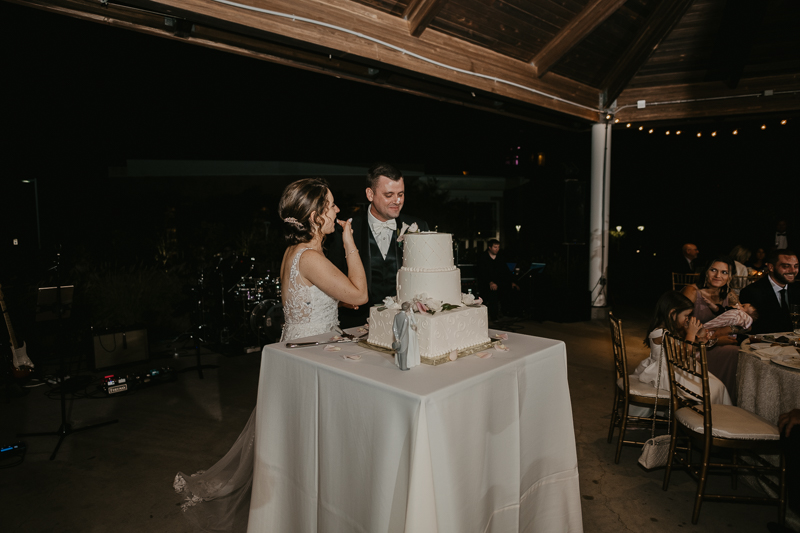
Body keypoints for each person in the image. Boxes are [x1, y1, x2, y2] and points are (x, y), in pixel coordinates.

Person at [174, 178, 368, 532]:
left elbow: (328, 298)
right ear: (314, 215)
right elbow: (358, 295)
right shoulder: (310, 257)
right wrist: (350, 242)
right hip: (311, 359)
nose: (338, 210)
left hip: (297, 351)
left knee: (295, 439)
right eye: (332, 205)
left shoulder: (295, 254)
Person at [328, 163, 428, 328]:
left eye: (401, 194)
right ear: (370, 194)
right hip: (356, 326)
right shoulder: (344, 229)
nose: (397, 201)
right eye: (389, 195)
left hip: (407, 325)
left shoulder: (417, 227)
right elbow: (332, 280)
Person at [631, 291, 732, 418]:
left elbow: (683, 348)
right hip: (666, 373)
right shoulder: (660, 333)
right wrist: (690, 334)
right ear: (672, 313)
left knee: (717, 386)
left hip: (676, 370)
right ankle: (707, 419)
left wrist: (699, 340)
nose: (687, 319)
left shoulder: (670, 330)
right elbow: (683, 355)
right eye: (686, 315)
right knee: (712, 389)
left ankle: (714, 418)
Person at [681, 257, 741, 402]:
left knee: (741, 353)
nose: (718, 276)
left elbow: (744, 323)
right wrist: (716, 339)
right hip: (692, 347)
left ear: (730, 276)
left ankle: (726, 401)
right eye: (713, 270)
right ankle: (714, 401)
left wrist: (729, 330)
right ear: (706, 271)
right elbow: (679, 325)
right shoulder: (692, 291)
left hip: (713, 344)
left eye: (724, 272)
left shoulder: (729, 294)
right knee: (734, 352)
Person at [739, 249, 799, 334]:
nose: (793, 270)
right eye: (786, 266)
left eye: (796, 266)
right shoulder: (752, 292)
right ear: (771, 267)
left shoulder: (797, 289)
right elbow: (753, 329)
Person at [476, 239, 521, 321]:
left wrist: (511, 282)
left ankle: (509, 312)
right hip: (486, 283)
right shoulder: (483, 257)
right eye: (495, 247)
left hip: (499, 282)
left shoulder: (500, 257)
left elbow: (505, 272)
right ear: (490, 247)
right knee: (493, 292)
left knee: (512, 289)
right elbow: (482, 273)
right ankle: (494, 316)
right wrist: (490, 282)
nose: (497, 249)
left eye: (498, 247)